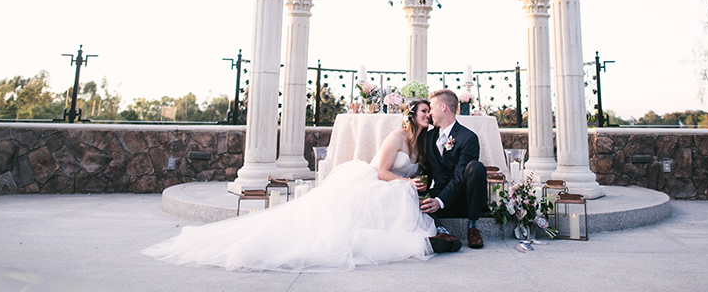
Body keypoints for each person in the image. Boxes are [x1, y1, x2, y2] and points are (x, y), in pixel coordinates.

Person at [143, 99, 450, 272]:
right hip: (374, 181)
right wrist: (406, 181)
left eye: (430, 112)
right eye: (424, 111)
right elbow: (383, 171)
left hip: (396, 186)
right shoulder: (395, 137)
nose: (429, 115)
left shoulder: (422, 143)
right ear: (412, 114)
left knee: (402, 193)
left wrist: (415, 182)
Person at [420, 89, 488, 249]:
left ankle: (473, 227)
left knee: (476, 167)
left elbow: (459, 177)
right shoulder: (429, 137)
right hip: (440, 193)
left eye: (432, 108)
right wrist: (419, 189)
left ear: (443, 107)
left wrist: (439, 201)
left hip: (464, 199)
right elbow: (427, 171)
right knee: (410, 196)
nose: (430, 113)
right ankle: (441, 231)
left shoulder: (468, 137)